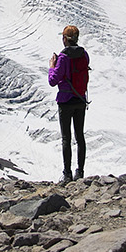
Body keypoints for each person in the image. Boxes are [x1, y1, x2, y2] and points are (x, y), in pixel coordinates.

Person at [47, 25, 89, 181]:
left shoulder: (63, 58)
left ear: (65, 39)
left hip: (65, 101)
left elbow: (53, 81)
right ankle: (81, 172)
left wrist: (52, 66)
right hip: (80, 99)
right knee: (80, 136)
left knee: (66, 138)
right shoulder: (84, 54)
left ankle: (67, 174)